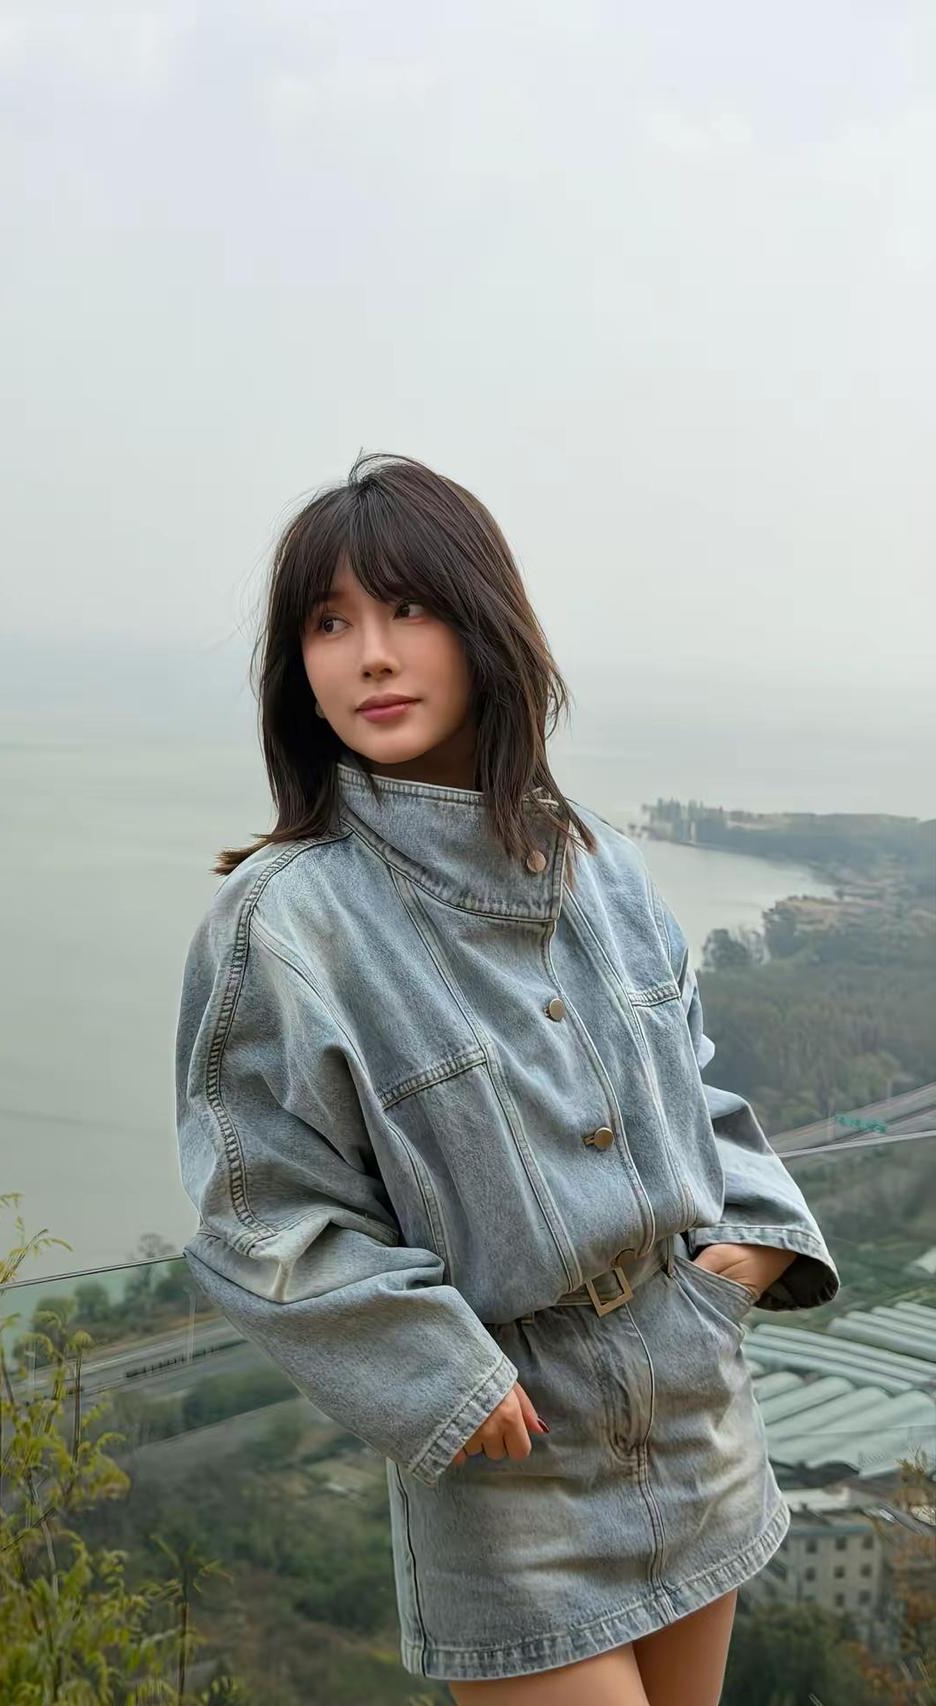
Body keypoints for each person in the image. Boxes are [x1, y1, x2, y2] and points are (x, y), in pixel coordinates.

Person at [172, 451, 839, 1703]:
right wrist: (441, 1374)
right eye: (328, 623)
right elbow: (257, 1213)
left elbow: (692, 1085)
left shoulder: (599, 866)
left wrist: (743, 1254)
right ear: (295, 666)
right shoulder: (285, 921)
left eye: (405, 608)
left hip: (694, 1402)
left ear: (483, 625)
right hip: (511, 1455)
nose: (370, 655)